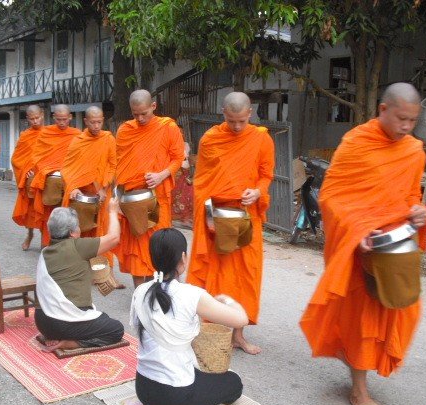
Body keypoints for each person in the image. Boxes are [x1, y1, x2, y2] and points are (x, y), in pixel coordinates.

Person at [299, 83, 426, 405]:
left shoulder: (414, 151)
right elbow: (333, 197)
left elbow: (411, 196)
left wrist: (418, 211)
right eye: (401, 118)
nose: (406, 127)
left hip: (395, 249)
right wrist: (358, 231)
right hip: (361, 246)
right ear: (383, 109)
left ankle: (356, 358)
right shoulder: (356, 144)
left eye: (412, 121)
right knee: (362, 318)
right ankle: (359, 390)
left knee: (402, 308)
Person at [130, 228, 248, 405]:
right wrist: (226, 300)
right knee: (234, 384)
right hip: (175, 395)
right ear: (183, 259)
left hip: (143, 389)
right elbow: (241, 319)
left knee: (202, 376)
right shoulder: (191, 295)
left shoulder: (140, 291)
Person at [188, 92, 274, 355]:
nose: (237, 127)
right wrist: (208, 213)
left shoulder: (260, 138)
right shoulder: (211, 139)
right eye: (231, 120)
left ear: (250, 113)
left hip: (247, 218)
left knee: (245, 277)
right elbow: (201, 179)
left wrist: (258, 192)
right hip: (218, 219)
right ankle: (210, 330)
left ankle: (239, 335)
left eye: (241, 121)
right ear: (223, 113)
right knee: (216, 275)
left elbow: (266, 174)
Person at [114, 90, 185, 287]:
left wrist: (161, 175)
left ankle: (156, 288)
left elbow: (178, 158)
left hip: (157, 197)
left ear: (153, 106)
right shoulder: (125, 130)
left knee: (158, 245)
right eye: (135, 114)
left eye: (144, 113)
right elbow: (119, 165)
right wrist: (117, 197)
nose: (140, 118)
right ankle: (139, 294)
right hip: (132, 200)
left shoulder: (168, 128)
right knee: (137, 248)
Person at [34, 198, 124, 350]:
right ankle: (71, 343)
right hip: (62, 322)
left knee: (103, 318)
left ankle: (58, 336)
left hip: (43, 322)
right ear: (71, 232)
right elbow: (114, 238)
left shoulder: (45, 251)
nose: (80, 230)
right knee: (115, 329)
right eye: (78, 227)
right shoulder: (77, 246)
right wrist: (113, 211)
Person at [61, 105, 123, 287]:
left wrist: (104, 185)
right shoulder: (78, 141)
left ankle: (106, 276)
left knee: (103, 233)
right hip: (81, 198)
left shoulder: (108, 139)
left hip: (103, 196)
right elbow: (67, 168)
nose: (96, 126)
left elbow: (113, 164)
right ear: (85, 121)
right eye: (93, 122)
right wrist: (73, 187)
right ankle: (78, 273)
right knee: (79, 235)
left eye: (99, 122)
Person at [29, 105, 81, 245]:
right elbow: (37, 157)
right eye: (58, 119)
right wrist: (47, 169)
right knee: (49, 215)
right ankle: (46, 244)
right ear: (53, 118)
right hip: (50, 180)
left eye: (65, 119)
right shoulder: (46, 133)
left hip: (69, 181)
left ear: (70, 117)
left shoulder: (77, 135)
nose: (62, 122)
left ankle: (66, 246)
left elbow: (81, 158)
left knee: (69, 214)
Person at [11, 105, 45, 250]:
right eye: (32, 119)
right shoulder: (25, 136)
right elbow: (16, 159)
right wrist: (26, 172)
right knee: (31, 210)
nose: (35, 121)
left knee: (45, 209)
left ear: (42, 115)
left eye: (37, 118)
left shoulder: (49, 134)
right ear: (27, 119)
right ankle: (30, 234)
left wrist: (43, 171)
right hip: (30, 179)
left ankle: (45, 239)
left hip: (44, 178)